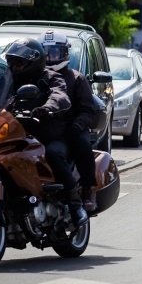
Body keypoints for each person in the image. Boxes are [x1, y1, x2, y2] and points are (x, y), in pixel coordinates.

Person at [1, 38, 84, 226]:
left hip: (49, 135)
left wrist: (47, 108)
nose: (14, 67)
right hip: (18, 134)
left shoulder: (51, 77)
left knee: (54, 154)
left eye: (19, 63)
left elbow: (60, 95)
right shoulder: (8, 80)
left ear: (33, 62)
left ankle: (75, 204)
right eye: (11, 63)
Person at [38, 30, 99, 212]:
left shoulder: (76, 78)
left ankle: (87, 189)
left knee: (81, 143)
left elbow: (89, 110)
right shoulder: (35, 77)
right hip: (43, 129)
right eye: (46, 52)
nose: (51, 57)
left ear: (64, 53)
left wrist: (77, 125)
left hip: (69, 131)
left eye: (55, 52)